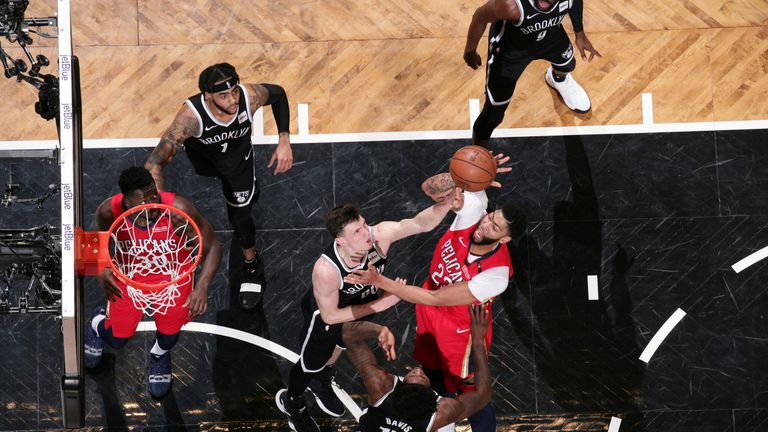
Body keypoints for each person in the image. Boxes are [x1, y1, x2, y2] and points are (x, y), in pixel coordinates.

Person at [345, 163, 527, 431]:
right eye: (491, 216)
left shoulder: (496, 274)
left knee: (471, 391)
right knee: (429, 372)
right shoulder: (475, 214)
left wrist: (379, 281)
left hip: (461, 326)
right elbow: (430, 188)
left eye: (495, 227)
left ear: (504, 240)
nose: (486, 223)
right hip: (429, 309)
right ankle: (424, 405)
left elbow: (437, 298)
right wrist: (464, 179)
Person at [275, 194, 462, 432]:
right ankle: (293, 402)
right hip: (328, 315)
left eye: (364, 225)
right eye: (357, 232)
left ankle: (322, 383)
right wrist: (383, 303)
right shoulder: (326, 269)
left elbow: (419, 223)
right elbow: (331, 316)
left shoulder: (378, 235)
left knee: (340, 348)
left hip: (362, 306)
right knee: (312, 364)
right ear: (340, 240)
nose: (366, 234)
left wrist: (447, 203)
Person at [144, 62, 293, 310]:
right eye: (223, 95)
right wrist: (160, 210)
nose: (233, 99)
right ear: (208, 96)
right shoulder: (190, 118)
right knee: (211, 177)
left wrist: (284, 140)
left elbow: (278, 94)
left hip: (238, 164)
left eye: (234, 90)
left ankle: (251, 262)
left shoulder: (250, 97)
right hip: (206, 163)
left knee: (240, 215)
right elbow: (154, 163)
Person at [84, 166, 222, 399]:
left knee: (169, 335)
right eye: (144, 201)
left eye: (154, 195)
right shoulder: (110, 211)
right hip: (128, 278)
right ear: (127, 203)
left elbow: (213, 245)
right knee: (117, 340)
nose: (152, 204)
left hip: (172, 278)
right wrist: (102, 270)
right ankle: (97, 323)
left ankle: (159, 354)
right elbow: (93, 242)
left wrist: (202, 286)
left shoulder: (178, 210)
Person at [464, 0, 602, 147]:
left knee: (568, 65)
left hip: (550, 36)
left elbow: (574, 2)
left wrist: (579, 33)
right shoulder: (510, 5)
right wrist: (470, 51)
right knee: (493, 115)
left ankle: (557, 79)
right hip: (511, 51)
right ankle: (478, 152)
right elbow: (480, 16)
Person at [342, 304, 492, 432]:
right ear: (436, 401)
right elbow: (482, 395)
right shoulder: (443, 412)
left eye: (414, 373)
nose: (419, 369)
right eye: (423, 376)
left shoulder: (380, 386)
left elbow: (348, 334)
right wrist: (479, 341)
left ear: (395, 388)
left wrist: (380, 330)